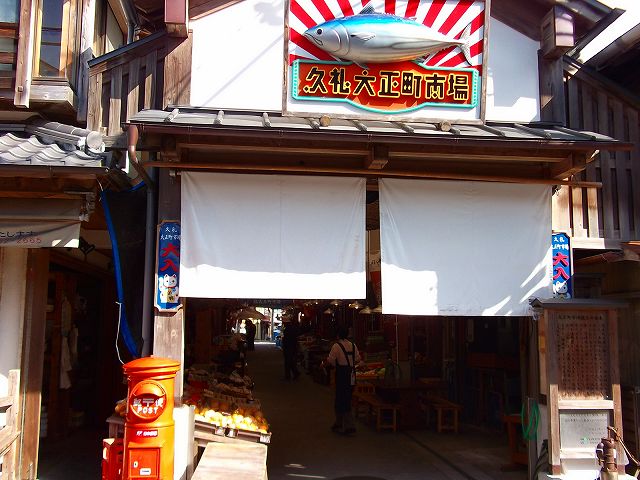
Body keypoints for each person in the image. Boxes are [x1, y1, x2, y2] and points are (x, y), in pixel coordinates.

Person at [323, 326, 362, 435]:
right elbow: (358, 359)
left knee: (341, 398)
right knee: (347, 397)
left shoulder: (336, 346)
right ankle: (339, 423)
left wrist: (324, 365)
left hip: (342, 375)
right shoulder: (353, 345)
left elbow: (331, 360)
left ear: (338, 335)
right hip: (352, 374)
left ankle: (349, 426)